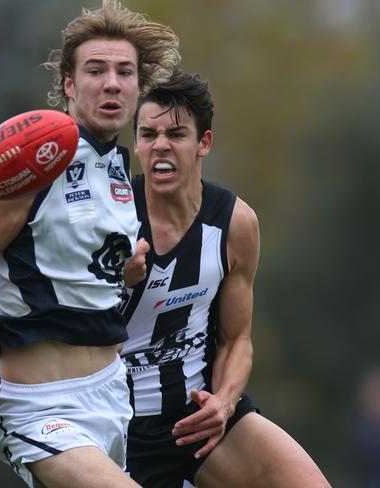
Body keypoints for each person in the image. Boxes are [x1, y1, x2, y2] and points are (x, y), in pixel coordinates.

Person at [0, 1, 180, 487]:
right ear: (68, 84)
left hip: (111, 395)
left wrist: (121, 272)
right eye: (96, 70)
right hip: (40, 406)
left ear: (137, 88)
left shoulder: (118, 171)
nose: (112, 83)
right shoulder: (30, 159)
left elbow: (9, 270)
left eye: (125, 72)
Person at [119, 69, 332, 487]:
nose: (160, 145)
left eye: (176, 134)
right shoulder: (110, 216)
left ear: (204, 143)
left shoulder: (235, 223)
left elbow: (237, 339)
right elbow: (12, 279)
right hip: (117, 426)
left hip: (198, 416)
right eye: (148, 134)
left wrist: (223, 401)